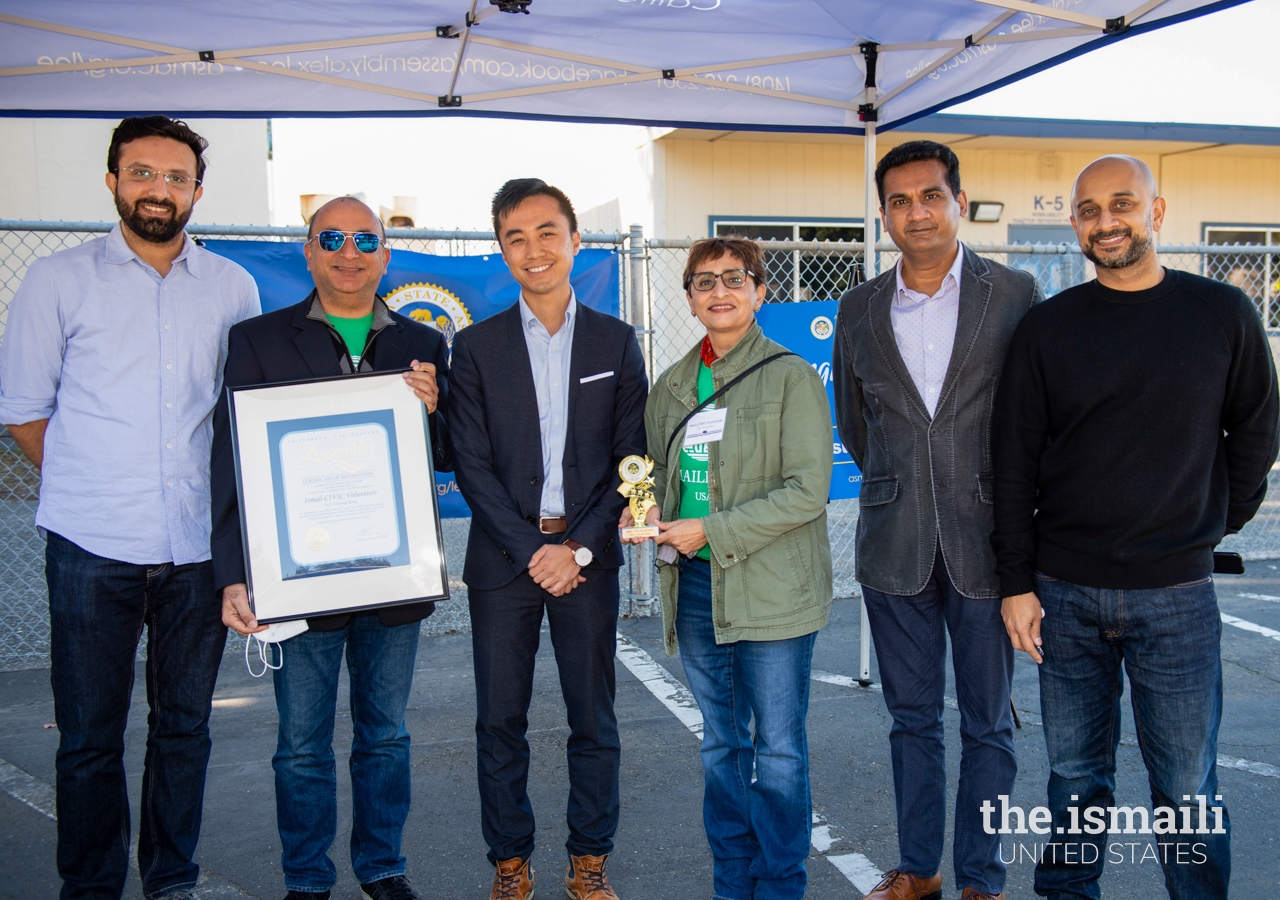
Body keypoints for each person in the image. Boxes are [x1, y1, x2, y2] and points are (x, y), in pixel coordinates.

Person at [993, 155, 1280, 900]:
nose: (1105, 221)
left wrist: (1216, 522)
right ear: (1075, 225)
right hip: (1065, 595)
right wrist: (1016, 584)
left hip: (1177, 596)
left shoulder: (1222, 315)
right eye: (1089, 210)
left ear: (1156, 212)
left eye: (1122, 204)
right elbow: (1013, 462)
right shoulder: (1046, 330)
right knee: (1073, 781)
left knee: (1187, 790)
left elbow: (1255, 429)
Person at [0, 116, 260, 900]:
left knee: (184, 730)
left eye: (176, 178)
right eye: (142, 173)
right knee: (87, 739)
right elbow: (24, 412)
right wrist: (89, 483)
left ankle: (170, 882)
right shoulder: (57, 281)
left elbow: (242, 413)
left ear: (198, 193)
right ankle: (92, 888)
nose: (159, 189)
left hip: (194, 554)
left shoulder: (233, 287)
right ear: (112, 180)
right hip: (91, 545)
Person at [211, 197, 451, 900]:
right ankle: (307, 879)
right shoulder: (255, 339)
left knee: (386, 737)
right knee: (301, 747)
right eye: (333, 238)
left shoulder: (424, 345)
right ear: (308, 251)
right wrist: (234, 574)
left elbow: (445, 461)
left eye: (365, 240)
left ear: (385, 254)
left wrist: (436, 412)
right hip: (298, 582)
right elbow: (231, 462)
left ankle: (382, 867)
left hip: (391, 579)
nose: (350, 253)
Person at [832, 140, 1041, 900]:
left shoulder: (1015, 292)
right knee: (910, 721)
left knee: (988, 725)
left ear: (957, 200)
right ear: (884, 213)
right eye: (899, 200)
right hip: (894, 546)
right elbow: (859, 425)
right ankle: (920, 868)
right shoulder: (857, 306)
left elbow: (1035, 418)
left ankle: (981, 878)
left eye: (930, 196)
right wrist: (901, 483)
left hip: (990, 543)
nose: (915, 211)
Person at [448, 178, 647, 900]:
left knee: (593, 718)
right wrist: (533, 550)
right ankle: (510, 862)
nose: (534, 250)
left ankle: (589, 861)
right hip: (505, 564)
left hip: (585, 563)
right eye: (515, 237)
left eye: (547, 232)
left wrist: (579, 550)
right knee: (499, 720)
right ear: (501, 249)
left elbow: (633, 457)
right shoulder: (473, 347)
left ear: (574, 240)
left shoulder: (616, 342)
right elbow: (470, 464)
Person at [624, 235, 833, 900]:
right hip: (696, 591)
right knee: (721, 748)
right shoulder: (673, 385)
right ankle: (732, 884)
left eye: (735, 278)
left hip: (772, 591)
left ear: (761, 290)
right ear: (688, 296)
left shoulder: (791, 376)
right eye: (705, 281)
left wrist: (709, 530)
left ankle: (780, 887)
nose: (720, 291)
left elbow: (807, 491)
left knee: (775, 752)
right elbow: (652, 473)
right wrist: (647, 512)